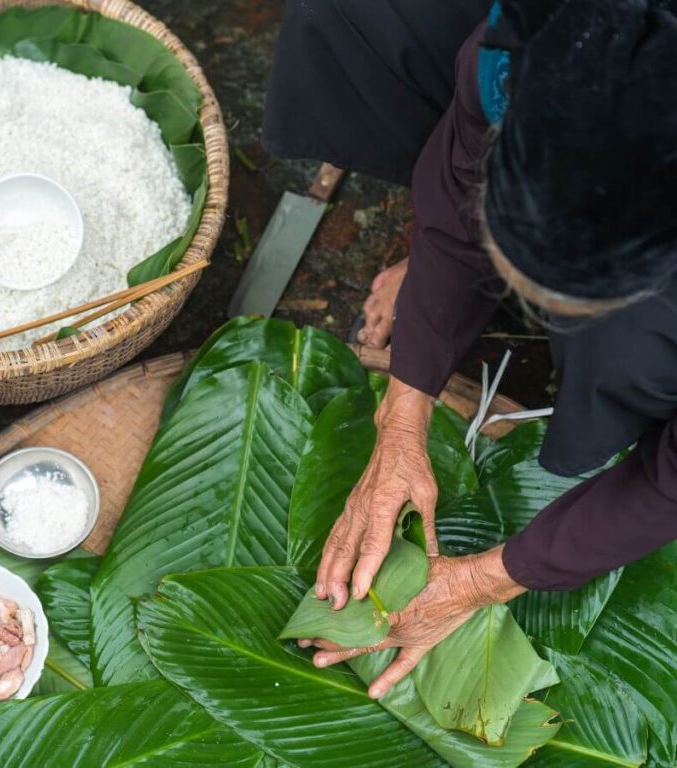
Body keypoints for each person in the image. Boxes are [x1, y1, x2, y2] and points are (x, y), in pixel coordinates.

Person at [263, 0, 677, 699]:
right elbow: (462, 183)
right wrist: (400, 418)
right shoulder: (528, 44)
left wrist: (481, 580)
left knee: (628, 352)